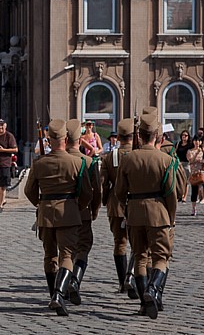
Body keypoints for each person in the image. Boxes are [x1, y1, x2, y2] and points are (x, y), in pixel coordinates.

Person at [24, 119, 92, 316]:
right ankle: (59, 295)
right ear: (65, 138)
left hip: (46, 214)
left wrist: (41, 204)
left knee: (50, 255)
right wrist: (76, 207)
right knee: (67, 255)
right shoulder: (77, 162)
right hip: (69, 213)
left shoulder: (39, 163)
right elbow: (87, 193)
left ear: (49, 139)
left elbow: (29, 191)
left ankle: (53, 293)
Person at [114, 113, 179, 320]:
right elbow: (171, 193)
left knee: (140, 257)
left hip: (134, 213)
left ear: (139, 135)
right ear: (158, 137)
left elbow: (119, 191)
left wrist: (128, 206)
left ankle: (144, 303)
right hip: (159, 213)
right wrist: (171, 216)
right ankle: (153, 288)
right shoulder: (166, 160)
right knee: (161, 257)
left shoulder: (128, 159)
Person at [64, 119, 102, 306]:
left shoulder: (55, 159)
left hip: (61, 214)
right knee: (83, 248)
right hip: (83, 212)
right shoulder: (88, 162)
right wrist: (92, 210)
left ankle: (59, 290)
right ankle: (74, 281)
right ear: (80, 140)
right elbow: (95, 191)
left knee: (64, 252)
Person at [100, 118, 135, 295]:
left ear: (118, 137)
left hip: (116, 205)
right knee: (140, 246)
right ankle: (133, 278)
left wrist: (105, 200)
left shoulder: (110, 156)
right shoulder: (138, 154)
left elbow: (104, 183)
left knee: (119, 243)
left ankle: (123, 282)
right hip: (136, 204)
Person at [187, 137, 204, 216]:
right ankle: (193, 208)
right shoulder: (190, 151)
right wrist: (196, 154)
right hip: (195, 173)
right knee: (194, 191)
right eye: (195, 140)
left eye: (198, 141)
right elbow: (190, 160)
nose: (197, 142)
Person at [175, 130, 191, 202]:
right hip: (179, 163)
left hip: (187, 164)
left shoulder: (190, 145)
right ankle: (180, 195)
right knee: (179, 180)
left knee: (186, 181)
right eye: (183, 135)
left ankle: (185, 196)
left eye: (186, 135)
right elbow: (175, 152)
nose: (184, 137)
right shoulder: (178, 144)